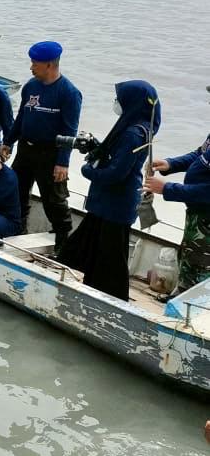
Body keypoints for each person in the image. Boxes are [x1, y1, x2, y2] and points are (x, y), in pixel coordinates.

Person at [58, 81, 160, 300]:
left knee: (111, 257)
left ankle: (114, 301)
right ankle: (81, 283)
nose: (116, 103)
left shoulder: (134, 133)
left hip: (116, 203)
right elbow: (118, 159)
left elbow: (117, 173)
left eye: (120, 99)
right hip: (109, 202)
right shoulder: (135, 127)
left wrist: (88, 171)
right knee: (88, 246)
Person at [3, 41, 83, 250]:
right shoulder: (30, 86)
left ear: (49, 65)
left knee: (54, 200)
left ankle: (62, 242)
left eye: (35, 63)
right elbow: (21, 117)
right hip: (26, 149)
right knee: (17, 191)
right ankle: (17, 231)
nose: (31, 67)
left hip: (51, 154)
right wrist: (8, 142)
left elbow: (69, 132)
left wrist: (63, 163)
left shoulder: (69, 93)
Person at [145, 91, 210, 292]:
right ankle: (181, 298)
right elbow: (199, 155)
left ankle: (194, 314)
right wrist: (170, 164)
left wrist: (167, 189)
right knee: (189, 259)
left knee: (201, 268)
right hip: (197, 215)